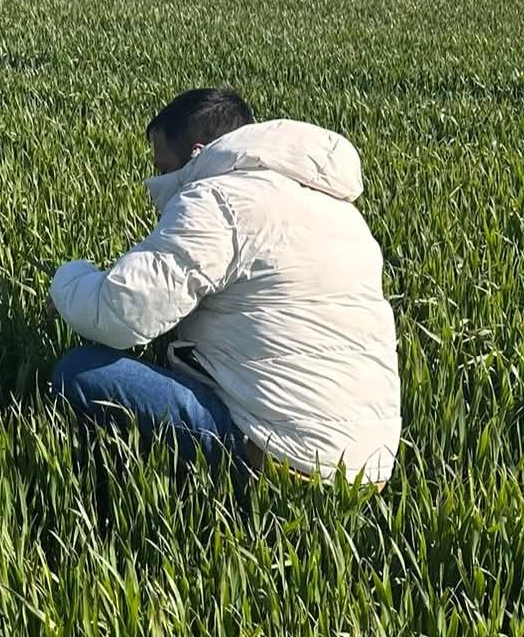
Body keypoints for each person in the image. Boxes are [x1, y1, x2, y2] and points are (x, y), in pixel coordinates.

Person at [48, 88, 400, 486]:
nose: (159, 183)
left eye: (162, 168)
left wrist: (68, 280)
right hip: (370, 469)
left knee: (80, 371)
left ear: (197, 153)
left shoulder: (218, 199)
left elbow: (119, 313)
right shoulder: (340, 211)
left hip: (284, 460)